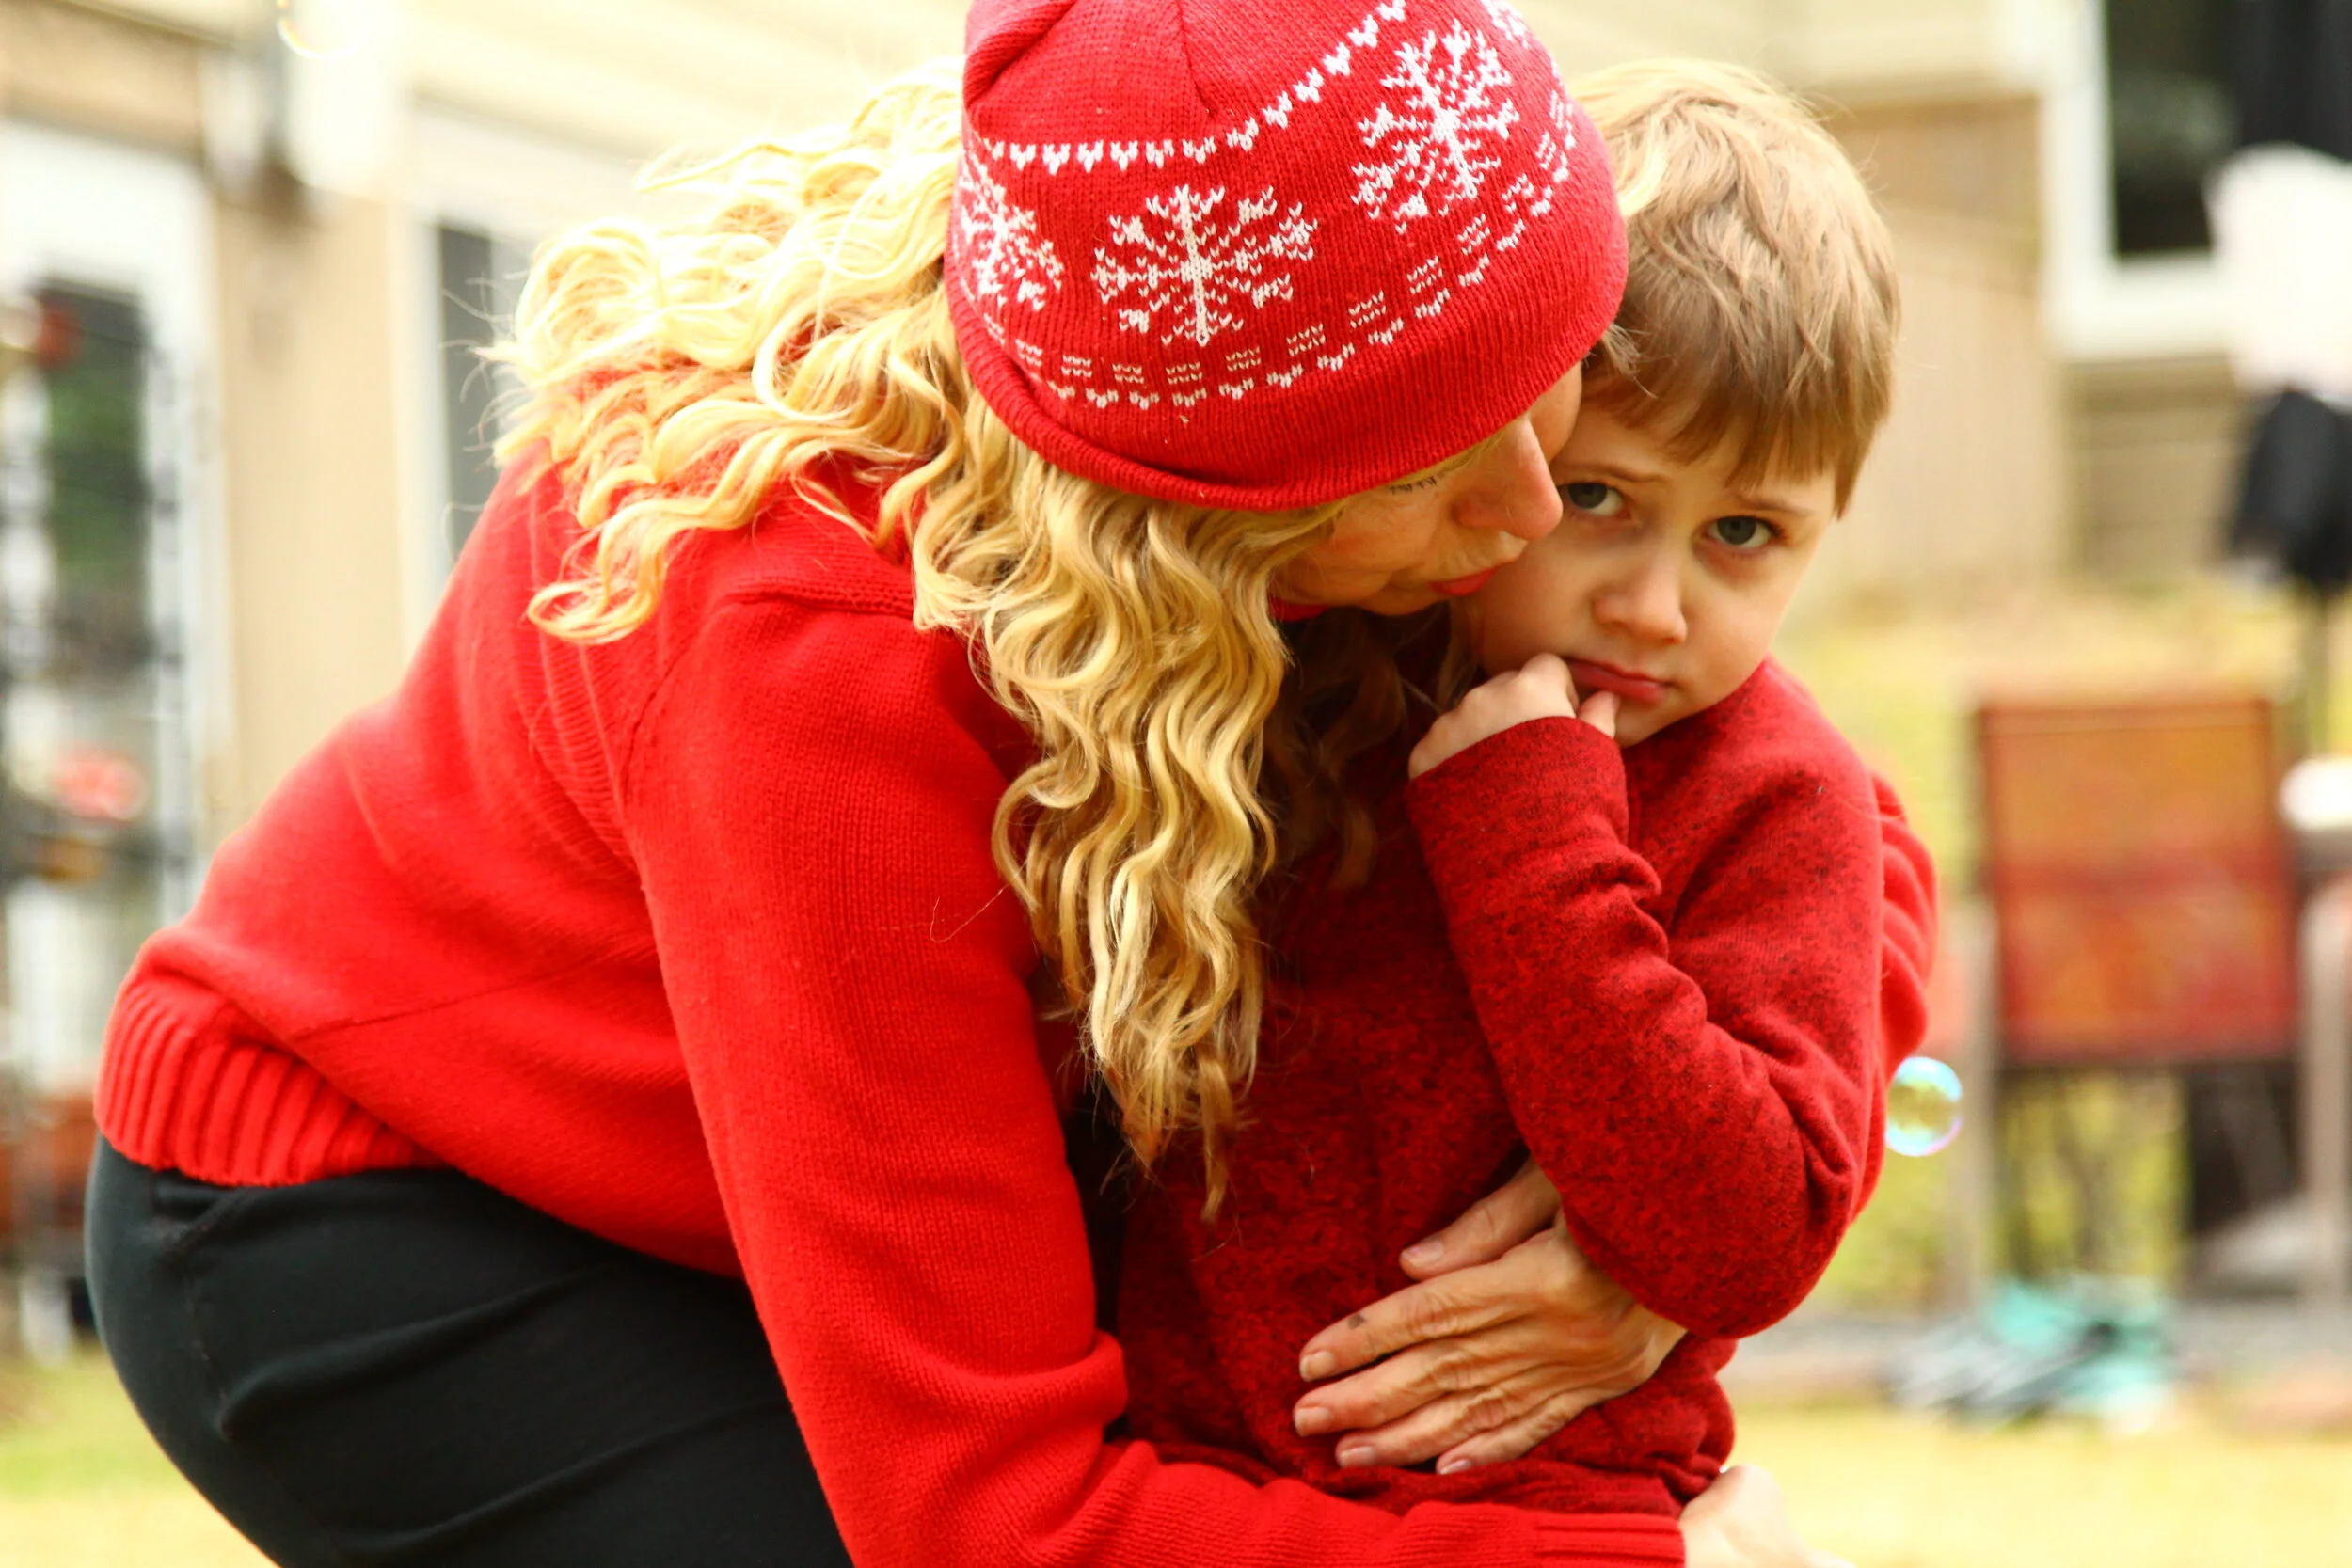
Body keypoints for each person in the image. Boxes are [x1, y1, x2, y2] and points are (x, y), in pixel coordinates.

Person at [83, 5, 1899, 1565]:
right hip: (396, 1223)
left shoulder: (1338, 379)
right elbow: (993, 1523)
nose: (1531, 505)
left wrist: (1663, 1219)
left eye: (1555, 372)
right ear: (1200, 511)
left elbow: (1821, 828)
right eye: (1427, 465)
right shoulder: (811, 654)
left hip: (830, 1208)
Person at [1112, 58, 1928, 1517]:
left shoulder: (1772, 794)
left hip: (1548, 1506)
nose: (1654, 608)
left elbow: (1746, 1238)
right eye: (1600, 498)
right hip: (1195, 1492)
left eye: (1745, 533)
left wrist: (1535, 839)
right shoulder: (1311, 675)